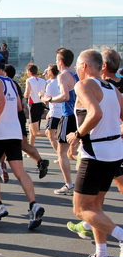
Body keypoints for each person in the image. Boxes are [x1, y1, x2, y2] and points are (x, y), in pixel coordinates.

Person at [62, 50, 123, 257]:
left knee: (80, 210)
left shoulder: (84, 84)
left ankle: (121, 236)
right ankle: (101, 255)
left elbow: (95, 113)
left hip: (95, 153)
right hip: (113, 152)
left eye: (78, 66)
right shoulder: (113, 88)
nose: (77, 70)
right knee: (96, 207)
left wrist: (77, 135)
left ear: (85, 66)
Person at [0, 53, 45, 229]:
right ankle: (34, 204)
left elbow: (0, 101)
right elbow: (18, 106)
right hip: (14, 132)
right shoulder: (10, 82)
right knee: (20, 171)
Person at [44, 48, 79, 195]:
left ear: (61, 62)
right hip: (79, 115)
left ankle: (69, 185)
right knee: (75, 151)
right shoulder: (76, 74)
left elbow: (65, 96)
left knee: (62, 152)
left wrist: (50, 99)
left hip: (68, 115)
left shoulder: (63, 75)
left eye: (57, 60)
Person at [24, 64, 47, 146]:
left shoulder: (29, 80)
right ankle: (30, 147)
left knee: (35, 131)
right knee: (32, 130)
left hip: (33, 105)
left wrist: (25, 95)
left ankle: (54, 135)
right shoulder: (43, 80)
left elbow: (27, 94)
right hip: (41, 104)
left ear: (29, 72)